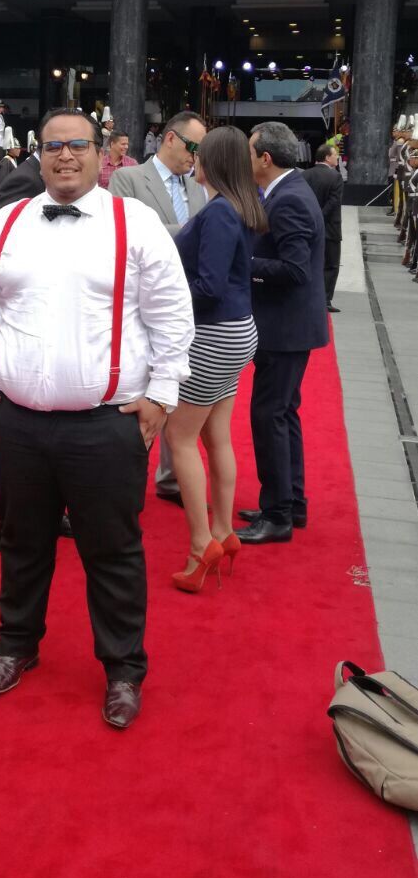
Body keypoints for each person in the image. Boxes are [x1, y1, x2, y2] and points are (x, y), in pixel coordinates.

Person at [0, 108, 194, 730]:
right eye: (53, 145)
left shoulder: (135, 222)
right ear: (38, 154)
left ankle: (123, 669)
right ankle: (16, 644)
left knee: (112, 552)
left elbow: (173, 314)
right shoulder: (7, 221)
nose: (65, 155)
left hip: (105, 426)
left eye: (78, 145)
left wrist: (162, 395)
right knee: (21, 542)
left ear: (100, 153)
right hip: (16, 423)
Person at [165, 128, 266, 592]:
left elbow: (208, 286)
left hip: (213, 334)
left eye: (198, 152)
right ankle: (222, 533)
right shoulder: (239, 205)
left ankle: (200, 545)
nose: (193, 158)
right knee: (215, 435)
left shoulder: (222, 210)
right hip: (234, 331)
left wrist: (162, 295)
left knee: (180, 437)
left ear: (214, 161)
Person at [236, 122, 328, 545]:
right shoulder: (288, 190)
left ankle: (277, 515)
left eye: (249, 152)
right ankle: (290, 503)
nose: (245, 160)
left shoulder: (288, 198)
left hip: (284, 329)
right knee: (283, 413)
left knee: (269, 416)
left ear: (265, 158)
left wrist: (244, 264)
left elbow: (294, 270)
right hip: (288, 326)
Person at [110, 110, 206, 504]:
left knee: (177, 391)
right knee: (139, 394)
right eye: (193, 146)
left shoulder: (198, 186)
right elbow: (124, 232)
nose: (196, 156)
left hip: (190, 302)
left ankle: (171, 477)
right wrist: (197, 233)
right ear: (170, 138)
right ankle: (126, 480)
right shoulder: (129, 178)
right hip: (140, 302)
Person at [302, 143, 343, 313]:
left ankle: (307, 296)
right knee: (331, 264)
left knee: (309, 262)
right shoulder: (336, 177)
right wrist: (319, 218)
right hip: (330, 228)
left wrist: (311, 219)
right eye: (335, 154)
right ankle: (325, 300)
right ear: (327, 157)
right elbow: (333, 202)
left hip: (307, 226)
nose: (337, 157)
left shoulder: (305, 175)